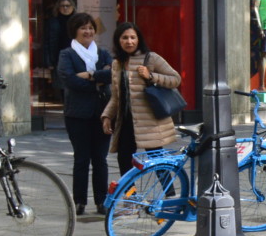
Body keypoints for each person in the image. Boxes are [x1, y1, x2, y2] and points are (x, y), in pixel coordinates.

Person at [100, 22, 181, 176]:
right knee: (124, 160)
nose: (129, 41)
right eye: (124, 38)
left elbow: (175, 79)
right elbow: (116, 96)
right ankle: (131, 197)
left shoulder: (151, 58)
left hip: (149, 122)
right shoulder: (117, 64)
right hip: (126, 122)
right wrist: (107, 116)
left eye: (132, 37)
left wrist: (151, 76)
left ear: (139, 39)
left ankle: (171, 196)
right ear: (118, 40)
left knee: (158, 162)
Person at [57, 12, 113, 215]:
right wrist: (98, 81)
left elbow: (112, 74)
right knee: (81, 159)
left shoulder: (104, 53)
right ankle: (79, 202)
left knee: (100, 159)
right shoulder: (67, 54)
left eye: (90, 27)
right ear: (75, 31)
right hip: (77, 114)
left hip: (102, 113)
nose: (88, 31)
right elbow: (70, 81)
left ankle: (101, 201)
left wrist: (90, 75)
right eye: (83, 28)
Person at [43, 0, 77, 101]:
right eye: (62, 6)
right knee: (61, 87)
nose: (65, 8)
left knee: (75, 85)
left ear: (73, 7)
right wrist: (48, 62)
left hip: (75, 58)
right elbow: (47, 42)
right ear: (58, 7)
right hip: (58, 58)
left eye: (68, 5)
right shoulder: (53, 22)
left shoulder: (78, 21)